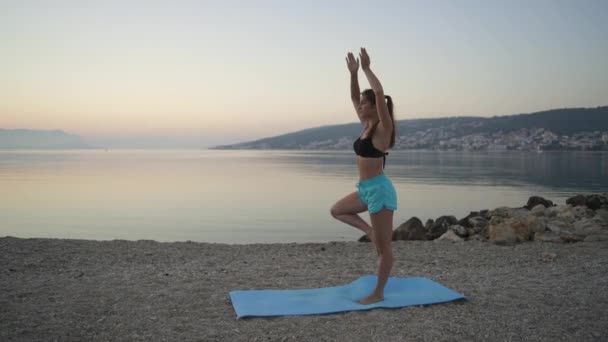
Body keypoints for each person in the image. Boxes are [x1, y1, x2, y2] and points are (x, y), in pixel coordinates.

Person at [330, 47, 398, 305]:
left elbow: (378, 93)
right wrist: (353, 73)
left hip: (379, 191)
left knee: (383, 248)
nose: (359, 105)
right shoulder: (366, 126)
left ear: (374, 108)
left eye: (363, 103)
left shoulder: (382, 128)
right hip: (365, 188)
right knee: (337, 210)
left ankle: (378, 293)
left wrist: (368, 69)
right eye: (360, 104)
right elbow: (353, 96)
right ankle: (368, 230)